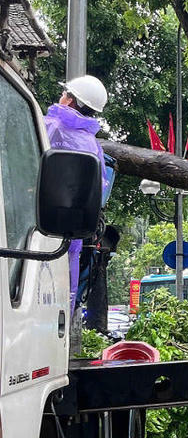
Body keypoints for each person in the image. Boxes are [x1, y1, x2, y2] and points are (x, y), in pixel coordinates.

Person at [43, 75, 109, 301]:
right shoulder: (93, 145)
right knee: (62, 298)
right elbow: (98, 191)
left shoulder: (49, 127)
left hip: (34, 225)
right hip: (72, 234)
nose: (61, 97)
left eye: (64, 94)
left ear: (70, 101)